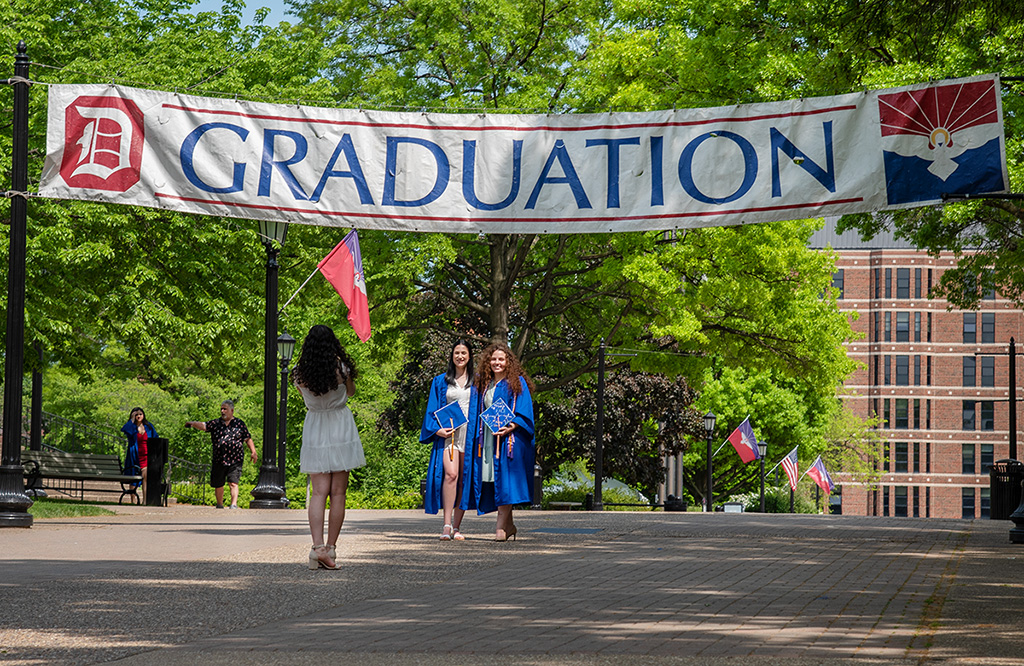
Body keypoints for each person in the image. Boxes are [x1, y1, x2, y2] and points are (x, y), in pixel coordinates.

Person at [292, 324, 365, 570]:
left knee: (318, 492)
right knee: (338, 493)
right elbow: (352, 393)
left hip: (315, 426)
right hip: (340, 424)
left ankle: (317, 548)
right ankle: (332, 547)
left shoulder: (299, 373)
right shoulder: (341, 369)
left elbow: (305, 396)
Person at [462, 342, 535, 541]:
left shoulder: (516, 382)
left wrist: (512, 425)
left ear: (508, 362)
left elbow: (525, 410)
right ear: (488, 361)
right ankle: (509, 525)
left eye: (501, 359)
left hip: (509, 440)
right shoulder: (484, 384)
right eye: (493, 359)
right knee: (495, 480)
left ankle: (500, 528)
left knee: (505, 480)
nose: (497, 362)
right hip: (487, 439)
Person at [420, 339, 479, 541]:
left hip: (469, 435)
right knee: (451, 475)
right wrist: (438, 430)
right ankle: (446, 525)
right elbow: (432, 410)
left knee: (463, 477)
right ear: (452, 356)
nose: (460, 356)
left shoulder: (478, 382)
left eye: (463, 353)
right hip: (449, 436)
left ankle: (457, 527)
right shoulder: (441, 381)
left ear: (469, 356)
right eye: (456, 353)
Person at [186, 400, 258, 509]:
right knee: (218, 484)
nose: (222, 411)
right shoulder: (216, 423)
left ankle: (233, 504)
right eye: (221, 409)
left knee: (233, 482)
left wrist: (253, 451)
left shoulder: (240, 424)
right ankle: (219, 504)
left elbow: (247, 438)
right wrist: (192, 423)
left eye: (225, 409)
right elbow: (204, 425)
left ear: (232, 410)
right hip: (219, 458)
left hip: (235, 459)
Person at [121, 407, 158, 502]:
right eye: (136, 414)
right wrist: (131, 420)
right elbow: (124, 429)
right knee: (134, 477)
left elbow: (156, 438)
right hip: (134, 456)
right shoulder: (131, 427)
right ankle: (132, 500)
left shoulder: (149, 427)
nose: (138, 416)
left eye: (140, 414)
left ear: (143, 415)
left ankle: (145, 500)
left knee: (145, 477)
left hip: (146, 455)